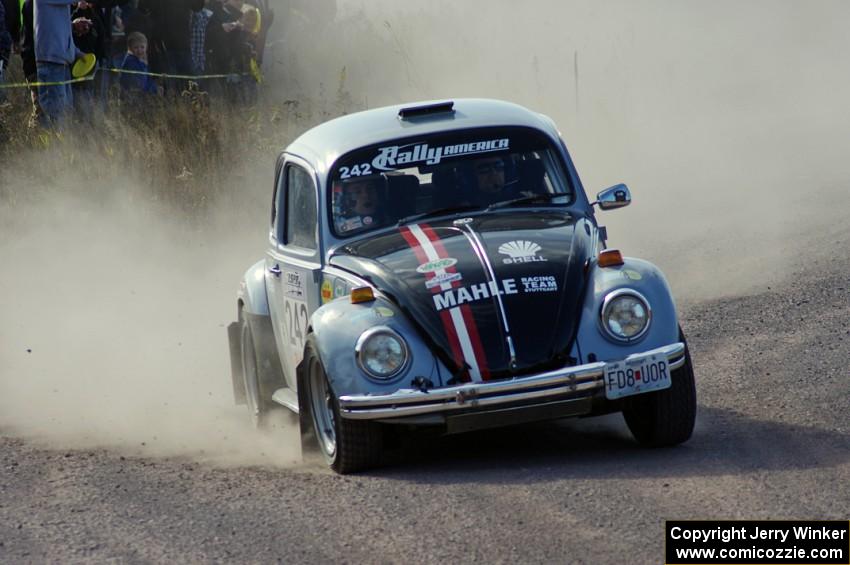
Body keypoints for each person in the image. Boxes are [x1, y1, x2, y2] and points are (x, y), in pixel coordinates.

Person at [34, 0, 82, 127]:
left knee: (66, 113)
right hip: (51, 64)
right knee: (56, 116)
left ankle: (64, 146)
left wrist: (77, 52)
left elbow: (60, 29)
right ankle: (53, 146)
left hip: (61, 62)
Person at [118, 30, 157, 105]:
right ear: (130, 48)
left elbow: (148, 78)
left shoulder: (141, 61)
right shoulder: (131, 63)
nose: (139, 50)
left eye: (142, 47)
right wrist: (153, 89)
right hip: (133, 99)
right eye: (136, 47)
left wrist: (154, 87)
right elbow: (139, 84)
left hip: (140, 98)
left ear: (146, 47)